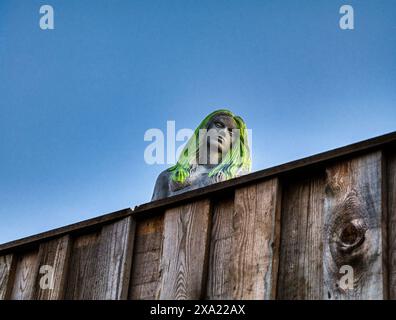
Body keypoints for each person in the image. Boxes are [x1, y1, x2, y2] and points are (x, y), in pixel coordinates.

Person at [151, 109, 251, 201]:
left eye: (231, 132)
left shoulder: (239, 178)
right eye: (219, 125)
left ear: (236, 143)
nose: (223, 132)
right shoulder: (166, 177)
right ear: (206, 128)